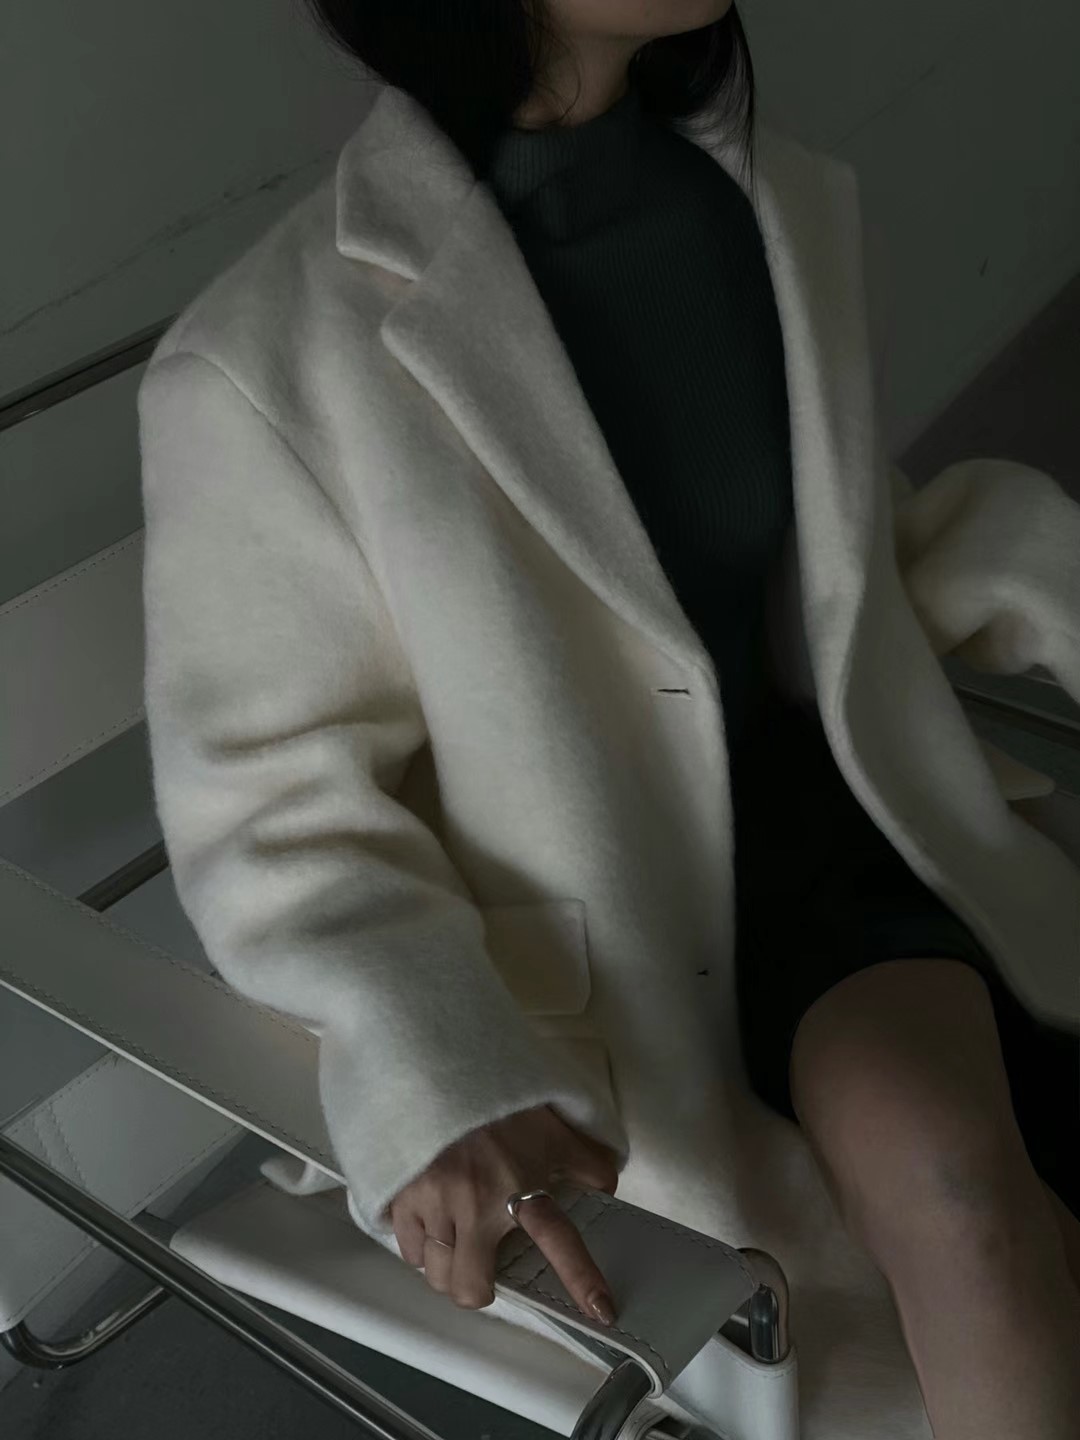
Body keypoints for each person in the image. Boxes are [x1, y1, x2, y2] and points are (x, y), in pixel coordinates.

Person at [140, 3, 1080, 1435]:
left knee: (978, 1207)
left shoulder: (755, 200)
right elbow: (271, 809)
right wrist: (435, 1065)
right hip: (604, 974)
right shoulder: (265, 361)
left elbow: (834, 550)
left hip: (833, 844)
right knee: (975, 1228)